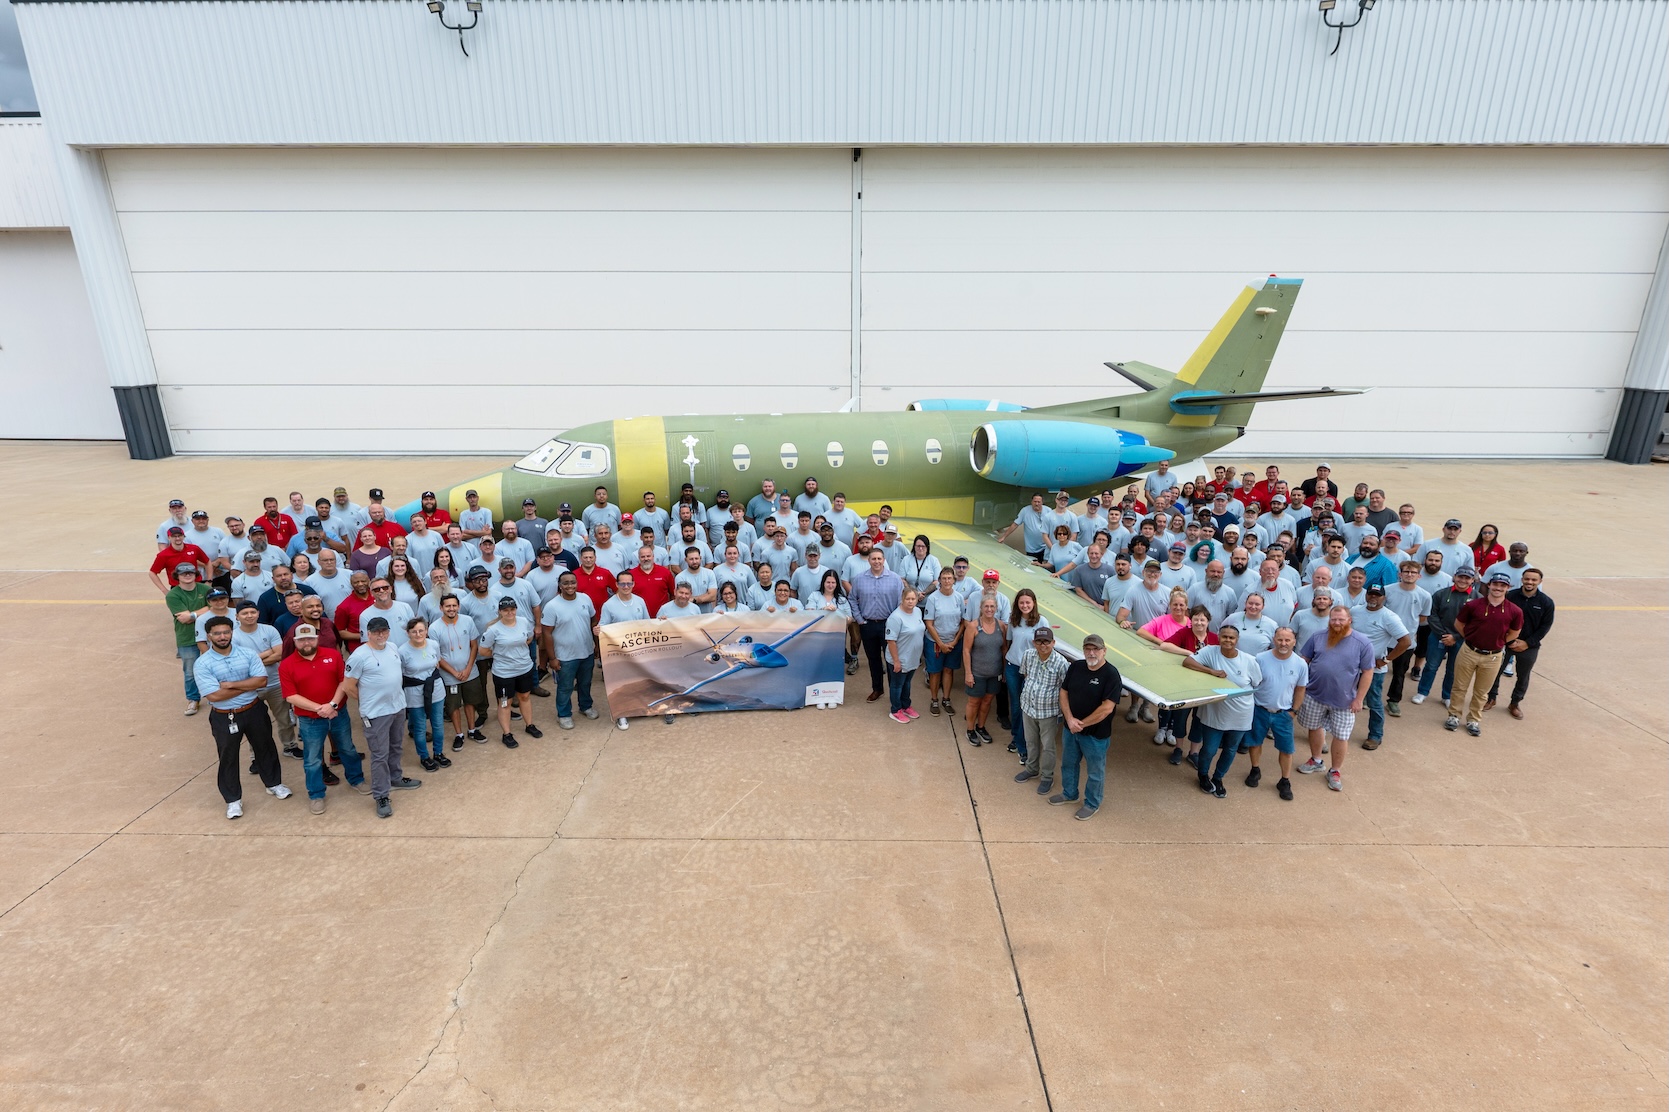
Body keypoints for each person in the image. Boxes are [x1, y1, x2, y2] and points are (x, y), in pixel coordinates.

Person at [194, 615, 291, 820]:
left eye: (226, 632)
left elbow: (262, 681)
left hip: (254, 709)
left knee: (266, 747)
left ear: (232, 632)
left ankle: (274, 784)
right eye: (217, 633)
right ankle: (233, 800)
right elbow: (214, 695)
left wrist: (229, 685)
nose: (222, 637)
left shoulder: (247, 654)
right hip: (224, 716)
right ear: (209, 636)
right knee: (228, 757)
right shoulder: (203, 663)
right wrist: (247, 684)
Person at [279, 622, 370, 815]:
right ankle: (316, 794)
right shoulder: (287, 665)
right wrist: (320, 709)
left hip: (338, 713)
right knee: (312, 759)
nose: (306, 643)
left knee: (348, 748)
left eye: (310, 638)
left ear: (317, 639)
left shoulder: (333, 655)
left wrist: (333, 705)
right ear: (294, 641)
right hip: (310, 720)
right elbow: (290, 696)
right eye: (301, 639)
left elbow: (343, 682)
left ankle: (357, 779)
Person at [344, 615, 423, 818]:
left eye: (384, 631)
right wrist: (368, 702)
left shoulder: (393, 647)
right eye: (376, 631)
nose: (381, 635)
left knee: (396, 746)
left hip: (397, 707)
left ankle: (395, 777)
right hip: (376, 714)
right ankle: (381, 794)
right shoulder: (359, 656)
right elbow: (348, 686)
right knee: (379, 755)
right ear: (368, 633)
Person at [1296, 606, 1375, 792]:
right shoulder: (1317, 637)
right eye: (1333, 619)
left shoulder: (1363, 643)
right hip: (1314, 695)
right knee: (1314, 727)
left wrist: (1359, 699)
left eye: (1341, 620)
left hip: (1345, 701)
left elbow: (1368, 672)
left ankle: (1335, 770)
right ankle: (1316, 760)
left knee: (1341, 736)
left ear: (1350, 620)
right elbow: (1303, 661)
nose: (1336, 623)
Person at [1183, 624, 1263, 797]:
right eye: (1224, 637)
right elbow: (1187, 661)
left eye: (1231, 638)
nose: (1228, 640)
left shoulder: (1249, 660)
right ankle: (1203, 775)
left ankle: (1218, 778)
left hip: (1241, 715)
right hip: (1214, 713)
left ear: (1237, 640)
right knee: (1209, 749)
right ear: (1218, 638)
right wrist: (1210, 671)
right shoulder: (1210, 651)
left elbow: (1257, 683)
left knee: (1230, 749)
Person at [1050, 634, 1122, 821]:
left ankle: (1092, 803)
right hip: (1070, 729)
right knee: (1068, 763)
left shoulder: (1111, 675)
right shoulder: (1076, 667)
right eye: (1087, 649)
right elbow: (1064, 692)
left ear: (1104, 651)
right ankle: (1069, 793)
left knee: (1095, 772)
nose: (1091, 653)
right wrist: (1070, 719)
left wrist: (1080, 724)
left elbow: (1107, 708)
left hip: (1095, 736)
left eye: (1096, 649)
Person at [1445, 570, 1523, 736]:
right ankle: (1454, 715)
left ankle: (1474, 719)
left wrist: (1498, 642)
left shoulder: (1515, 611)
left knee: (1482, 692)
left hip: (1493, 656)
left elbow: (1514, 633)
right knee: (1459, 686)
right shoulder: (1473, 605)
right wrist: (1471, 638)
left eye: (1503, 585)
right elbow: (1459, 624)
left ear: (1508, 588)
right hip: (1468, 651)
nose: (1498, 588)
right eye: (1495, 584)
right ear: (1489, 585)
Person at [1241, 627, 1308, 801]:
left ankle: (1284, 781)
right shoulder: (1261, 658)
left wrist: (1294, 711)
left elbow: (1301, 689)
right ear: (1274, 639)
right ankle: (1255, 769)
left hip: (1284, 714)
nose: (1283, 643)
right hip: (1259, 710)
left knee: (1286, 749)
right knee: (1254, 743)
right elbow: (1251, 681)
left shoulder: (1300, 663)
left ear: (1294, 641)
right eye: (1280, 639)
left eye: (1287, 640)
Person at [232, 598, 298, 759]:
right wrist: (267, 653)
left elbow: (279, 654)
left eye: (252, 612)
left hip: (275, 683)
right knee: (254, 725)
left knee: (285, 720)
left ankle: (290, 746)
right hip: (251, 687)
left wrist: (253, 661)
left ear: (258, 613)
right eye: (245, 613)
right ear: (237, 616)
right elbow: (240, 665)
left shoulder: (269, 630)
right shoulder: (234, 636)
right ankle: (256, 756)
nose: (249, 616)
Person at [1348, 585, 1412, 751]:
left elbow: (1405, 641)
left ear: (1384, 598)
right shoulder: (1354, 611)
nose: (1373, 598)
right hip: (1350, 665)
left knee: (1374, 701)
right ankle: (1336, 729)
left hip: (1373, 670)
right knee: (1342, 697)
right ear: (1366, 595)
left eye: (1377, 595)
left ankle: (1375, 735)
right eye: (1371, 594)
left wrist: (1386, 660)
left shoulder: (1389, 617)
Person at [1486, 568, 1553, 719]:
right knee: (1494, 672)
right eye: (1527, 579)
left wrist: (1528, 643)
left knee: (1523, 676)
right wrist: (1506, 639)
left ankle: (1515, 703)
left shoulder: (1546, 602)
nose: (1530, 582)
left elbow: (1545, 626)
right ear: (1522, 579)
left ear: (1540, 582)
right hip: (1504, 642)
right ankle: (1491, 698)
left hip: (1529, 646)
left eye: (1534, 580)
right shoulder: (1510, 596)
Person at [1013, 625, 1070, 794]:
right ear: (1034, 642)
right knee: (1030, 741)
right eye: (1039, 641)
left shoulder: (1061, 663)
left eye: (1046, 641)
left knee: (1048, 746)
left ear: (1053, 642)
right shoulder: (1028, 655)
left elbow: (1064, 689)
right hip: (1028, 707)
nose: (1042, 645)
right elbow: (1025, 675)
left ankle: (1047, 777)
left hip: (1048, 713)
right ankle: (1031, 769)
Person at [479, 597, 542, 748]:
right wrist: (502, 656)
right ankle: (506, 734)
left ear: (516, 609)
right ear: (500, 612)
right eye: (505, 610)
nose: (509, 613)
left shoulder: (523, 622)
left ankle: (529, 725)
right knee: (505, 702)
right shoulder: (493, 630)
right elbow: (483, 650)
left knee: (525, 696)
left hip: (524, 668)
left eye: (512, 609)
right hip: (504, 672)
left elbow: (528, 638)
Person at [541, 571, 599, 730]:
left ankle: (585, 706)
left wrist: (596, 645)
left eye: (572, 582)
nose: (569, 586)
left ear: (576, 583)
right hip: (565, 656)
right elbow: (546, 632)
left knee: (585, 683)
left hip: (586, 651)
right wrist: (552, 658)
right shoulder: (552, 606)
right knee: (565, 687)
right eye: (565, 583)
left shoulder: (585, 599)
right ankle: (564, 714)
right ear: (560, 586)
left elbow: (593, 621)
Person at [1415, 567, 1477, 705]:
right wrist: (1444, 635)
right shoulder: (1441, 594)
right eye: (1460, 577)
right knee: (1431, 666)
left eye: (1467, 578)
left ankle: (1447, 696)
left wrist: (1456, 637)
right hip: (1438, 636)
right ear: (1454, 577)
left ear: (1472, 580)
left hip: (1461, 640)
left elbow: (1475, 623)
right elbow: (1432, 615)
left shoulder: (1478, 598)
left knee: (1453, 669)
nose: (1463, 580)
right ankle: (1422, 692)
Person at [849, 548, 904, 704]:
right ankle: (877, 689)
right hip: (868, 625)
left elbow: (901, 602)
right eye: (874, 559)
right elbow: (852, 599)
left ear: (884, 560)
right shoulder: (859, 579)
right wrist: (859, 619)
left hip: (888, 625)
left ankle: (894, 691)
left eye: (879, 559)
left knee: (891, 660)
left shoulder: (894, 579)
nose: (877, 562)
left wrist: (895, 622)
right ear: (869, 561)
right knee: (873, 660)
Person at [432, 592, 486, 748]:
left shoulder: (467, 621)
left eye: (454, 605)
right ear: (441, 608)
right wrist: (454, 673)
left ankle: (472, 730)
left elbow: (474, 645)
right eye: (447, 606)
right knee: (453, 706)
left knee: (471, 702)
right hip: (449, 676)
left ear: (459, 606)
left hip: (470, 672)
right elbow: (438, 656)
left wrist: (468, 668)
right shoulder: (435, 628)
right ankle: (459, 734)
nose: (451, 609)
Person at [598, 569, 651, 729]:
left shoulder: (640, 601)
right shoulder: (609, 605)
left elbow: (647, 623)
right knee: (621, 684)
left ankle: (640, 708)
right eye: (622, 583)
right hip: (619, 652)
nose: (626, 586)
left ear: (633, 584)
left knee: (639, 681)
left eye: (629, 583)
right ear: (616, 584)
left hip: (638, 650)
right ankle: (622, 714)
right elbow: (603, 626)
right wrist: (598, 630)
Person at [400, 617, 451, 772]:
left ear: (426, 631)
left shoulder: (433, 645)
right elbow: (401, 673)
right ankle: (424, 757)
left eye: (421, 630)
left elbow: (437, 662)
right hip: (414, 692)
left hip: (435, 689)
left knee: (438, 724)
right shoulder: (402, 651)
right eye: (414, 631)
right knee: (420, 727)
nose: (418, 634)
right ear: (408, 633)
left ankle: (438, 753)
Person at [1382, 561, 1432, 717]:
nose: (1409, 575)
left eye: (1413, 572)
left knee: (1399, 672)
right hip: (1384, 639)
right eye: (1406, 572)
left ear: (1419, 575)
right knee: (1374, 669)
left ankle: (1393, 701)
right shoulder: (1387, 590)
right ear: (1400, 574)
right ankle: (1366, 697)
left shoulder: (1424, 595)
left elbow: (1423, 617)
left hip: (1406, 642)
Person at [165, 562, 212, 715]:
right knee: (190, 671)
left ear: (196, 574)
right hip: (187, 637)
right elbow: (183, 619)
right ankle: (193, 698)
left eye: (191, 572)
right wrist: (204, 611)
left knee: (214, 667)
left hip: (209, 636)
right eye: (183, 573)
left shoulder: (206, 589)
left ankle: (214, 695)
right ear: (177, 576)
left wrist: (192, 614)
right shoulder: (173, 595)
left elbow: (215, 607)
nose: (187, 575)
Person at [960, 595, 1007, 747]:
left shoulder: (1001, 626)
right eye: (986, 606)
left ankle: (981, 727)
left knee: (987, 701)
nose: (989, 609)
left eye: (992, 607)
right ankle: (970, 729)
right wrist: (968, 673)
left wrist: (1004, 670)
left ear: (996, 608)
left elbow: (1004, 649)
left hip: (994, 673)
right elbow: (966, 651)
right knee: (974, 702)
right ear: (981, 608)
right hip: (977, 673)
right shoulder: (973, 627)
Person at [1003, 590, 1045, 757]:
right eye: (1021, 603)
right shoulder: (1013, 620)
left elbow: (1045, 648)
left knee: (1026, 707)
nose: (1025, 606)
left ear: (1034, 603)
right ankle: (1016, 736)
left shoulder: (1042, 622)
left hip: (1031, 670)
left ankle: (1022, 745)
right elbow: (1008, 643)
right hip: (1013, 666)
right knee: (1015, 705)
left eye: (1028, 602)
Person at [922, 569, 964, 716]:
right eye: (944, 578)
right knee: (935, 672)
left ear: (954, 580)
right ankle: (934, 700)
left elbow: (963, 622)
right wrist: (940, 643)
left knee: (948, 670)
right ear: (940, 580)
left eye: (949, 578)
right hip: (935, 643)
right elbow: (929, 623)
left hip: (953, 642)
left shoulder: (959, 598)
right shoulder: (933, 598)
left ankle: (946, 699)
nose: (947, 581)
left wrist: (956, 640)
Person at [884, 587, 926, 722]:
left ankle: (906, 705)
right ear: (902, 599)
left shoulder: (918, 611)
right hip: (900, 658)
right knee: (897, 684)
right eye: (907, 599)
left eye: (913, 599)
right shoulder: (895, 618)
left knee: (907, 682)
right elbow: (891, 641)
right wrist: (896, 661)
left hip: (912, 658)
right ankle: (895, 710)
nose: (910, 602)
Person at [150, 527, 212, 594]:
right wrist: (164, 590)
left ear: (183, 536)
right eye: (174, 536)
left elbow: (207, 562)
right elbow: (152, 573)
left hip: (196, 586)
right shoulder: (163, 555)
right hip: (178, 589)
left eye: (179, 535)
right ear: (169, 537)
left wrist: (209, 581)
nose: (177, 538)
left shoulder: (194, 549)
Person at [996, 493, 1050, 560]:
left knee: (1047, 567)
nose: (1036, 504)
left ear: (1042, 502)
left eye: (1039, 502)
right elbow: (1015, 524)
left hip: (1045, 546)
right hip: (1032, 549)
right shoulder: (1025, 511)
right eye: (1035, 501)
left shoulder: (1048, 511)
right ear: (1031, 502)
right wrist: (1004, 537)